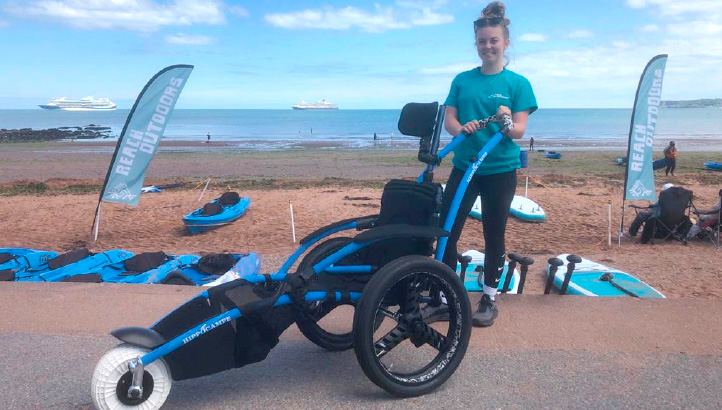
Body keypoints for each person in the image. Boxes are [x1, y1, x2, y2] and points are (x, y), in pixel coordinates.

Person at [439, 1, 536, 328]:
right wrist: (460, 129)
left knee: (494, 234)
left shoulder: (518, 84)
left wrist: (507, 122)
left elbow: (519, 132)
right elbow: (450, 119)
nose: (488, 46)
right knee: (446, 232)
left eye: (494, 40)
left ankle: (489, 299)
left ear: (505, 42)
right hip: (465, 167)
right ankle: (445, 294)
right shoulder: (463, 80)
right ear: (476, 44)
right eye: (482, 41)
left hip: (499, 171)